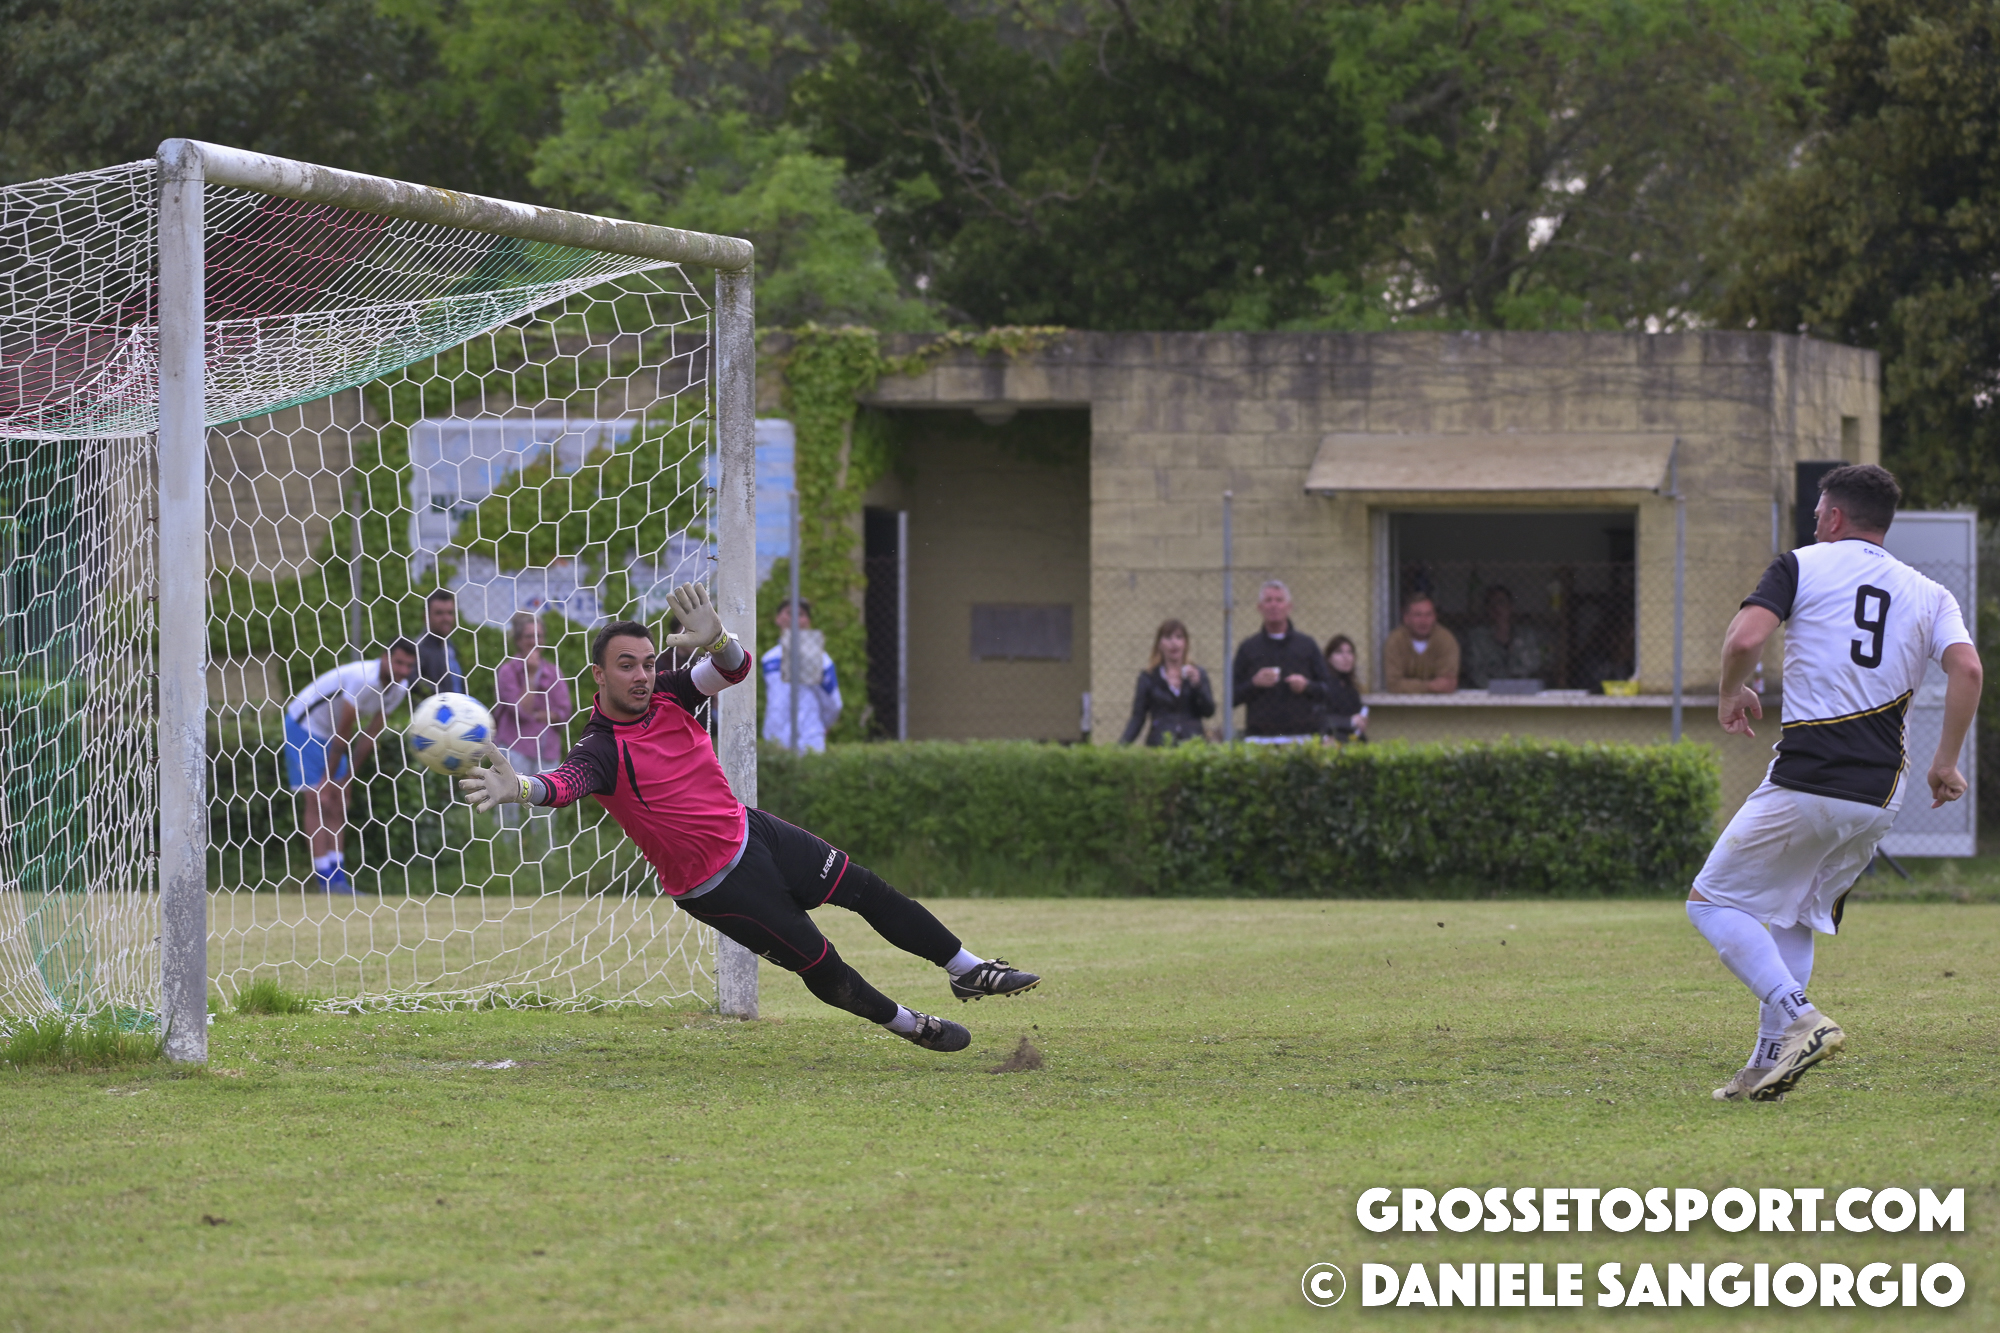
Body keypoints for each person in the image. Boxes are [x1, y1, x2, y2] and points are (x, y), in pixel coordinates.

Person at [458, 583, 1039, 1053]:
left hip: (752, 830)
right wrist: (520, 788)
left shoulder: (669, 693)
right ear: (599, 676)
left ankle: (967, 968)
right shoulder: (601, 747)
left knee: (868, 889)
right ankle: (910, 1025)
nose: (641, 676)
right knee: (823, 964)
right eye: (626, 666)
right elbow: (564, 784)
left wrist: (719, 639)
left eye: (647, 664)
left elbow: (732, 671)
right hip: (715, 885)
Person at [1690, 464, 1981, 1102]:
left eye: (1819, 512)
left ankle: (1802, 1019)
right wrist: (1946, 762)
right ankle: (1765, 1064)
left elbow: (1744, 637)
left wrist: (1730, 692)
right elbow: (1968, 670)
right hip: (1880, 797)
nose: (1815, 521)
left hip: (1810, 776)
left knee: (1709, 902)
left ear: (1834, 516)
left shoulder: (1800, 564)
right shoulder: (1930, 592)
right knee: (1794, 915)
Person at [283, 641, 419, 893]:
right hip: (305, 725)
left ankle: (339, 880)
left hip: (332, 733)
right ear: (384, 658)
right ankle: (324, 881)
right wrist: (327, 779)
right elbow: (345, 730)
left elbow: (370, 735)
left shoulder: (400, 689)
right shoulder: (362, 679)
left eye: (408, 666)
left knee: (338, 802)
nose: (402, 670)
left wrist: (347, 778)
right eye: (398, 662)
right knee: (317, 798)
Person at [493, 612, 575, 827]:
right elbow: (521, 711)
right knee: (507, 811)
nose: (535, 641)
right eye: (530, 636)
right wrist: (531, 675)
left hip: (546, 750)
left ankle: (543, 849)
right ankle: (505, 847)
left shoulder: (554, 673)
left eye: (539, 636)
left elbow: (564, 712)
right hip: (514, 747)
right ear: (518, 640)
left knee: (545, 813)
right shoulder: (508, 672)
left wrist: (543, 714)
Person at [1232, 581, 1331, 742]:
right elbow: (1231, 697)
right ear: (1259, 608)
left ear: (1289, 607)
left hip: (1301, 736)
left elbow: (1328, 690)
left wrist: (1307, 686)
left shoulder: (1307, 645)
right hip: (1260, 738)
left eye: (1279, 600)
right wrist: (1254, 683)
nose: (1274, 605)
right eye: (1268, 600)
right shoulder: (1249, 648)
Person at [761, 598, 842, 752]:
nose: (794, 618)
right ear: (778, 618)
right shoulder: (769, 659)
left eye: (801, 614)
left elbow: (833, 703)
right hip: (775, 743)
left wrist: (820, 726)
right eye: (789, 613)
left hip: (808, 741)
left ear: (808, 621)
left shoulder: (821, 660)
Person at [1118, 619, 1215, 745]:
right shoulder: (1148, 677)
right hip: (1160, 743)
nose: (1174, 643)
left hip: (1192, 744)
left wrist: (1198, 686)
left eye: (1179, 637)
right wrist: (1120, 747)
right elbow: (1138, 717)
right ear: (1159, 644)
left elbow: (1209, 711)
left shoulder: (1198, 673)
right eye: (1168, 637)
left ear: (1185, 643)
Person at [1461, 585, 1544, 688]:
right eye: (1491, 604)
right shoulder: (1476, 637)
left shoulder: (1525, 635)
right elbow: (1474, 670)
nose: (1496, 608)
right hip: (1487, 691)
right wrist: (1495, 688)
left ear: (1511, 606)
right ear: (1486, 608)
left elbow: (1534, 665)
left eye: (1501, 602)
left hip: (1522, 689)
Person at [1382, 592, 1460, 694]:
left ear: (1435, 617)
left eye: (1428, 615)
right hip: (1402, 702)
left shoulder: (1446, 640)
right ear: (1406, 618)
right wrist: (1430, 686)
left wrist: (1409, 685)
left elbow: (1448, 684)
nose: (1424, 621)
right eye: (1417, 615)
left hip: (1438, 702)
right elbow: (1393, 685)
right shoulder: (1395, 641)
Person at [414, 589, 465, 699]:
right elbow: (414, 682)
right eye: (439, 613)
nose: (446, 618)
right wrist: (442, 697)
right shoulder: (418, 649)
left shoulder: (450, 648)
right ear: (425, 617)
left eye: (450, 613)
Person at [1321, 634, 1368, 743]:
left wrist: (1361, 721)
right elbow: (1319, 719)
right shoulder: (1323, 685)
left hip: (1352, 741)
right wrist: (1350, 721)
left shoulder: (1351, 687)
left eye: (1350, 652)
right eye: (1339, 652)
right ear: (1329, 658)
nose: (1346, 657)